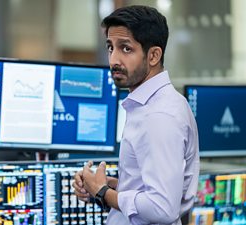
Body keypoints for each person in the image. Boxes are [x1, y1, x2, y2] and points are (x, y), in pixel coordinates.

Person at [73, 5, 199, 225]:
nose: (113, 61)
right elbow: (152, 188)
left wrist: (102, 192)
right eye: (111, 48)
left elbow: (162, 208)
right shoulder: (152, 104)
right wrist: (105, 185)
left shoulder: (159, 116)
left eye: (126, 49)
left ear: (153, 55)